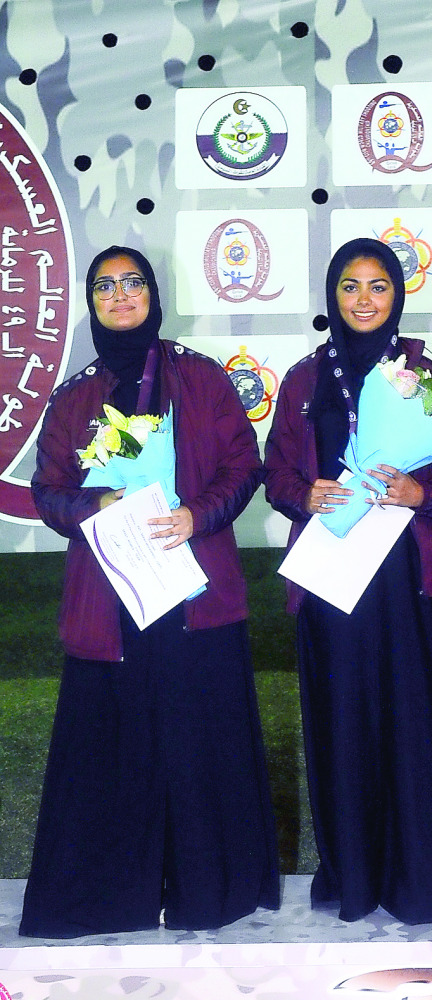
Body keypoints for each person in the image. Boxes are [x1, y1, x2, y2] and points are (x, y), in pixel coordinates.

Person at [20, 246, 279, 938]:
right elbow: (48, 492)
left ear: (153, 294)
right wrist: (95, 507)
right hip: (111, 602)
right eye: (105, 286)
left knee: (200, 745)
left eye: (133, 282)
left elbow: (242, 465)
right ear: (91, 302)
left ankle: (207, 893)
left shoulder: (200, 377)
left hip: (193, 594)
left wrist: (197, 515)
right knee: (112, 749)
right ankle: (111, 898)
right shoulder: (74, 396)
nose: (120, 295)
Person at [264, 237, 432, 925]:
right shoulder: (303, 378)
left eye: (378, 286)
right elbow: (276, 473)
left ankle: (420, 878)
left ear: (398, 294)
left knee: (414, 722)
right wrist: (307, 495)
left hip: (406, 571)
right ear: (332, 298)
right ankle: (352, 874)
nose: (363, 300)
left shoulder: (425, 371)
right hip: (332, 575)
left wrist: (422, 491)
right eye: (350, 287)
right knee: (342, 722)